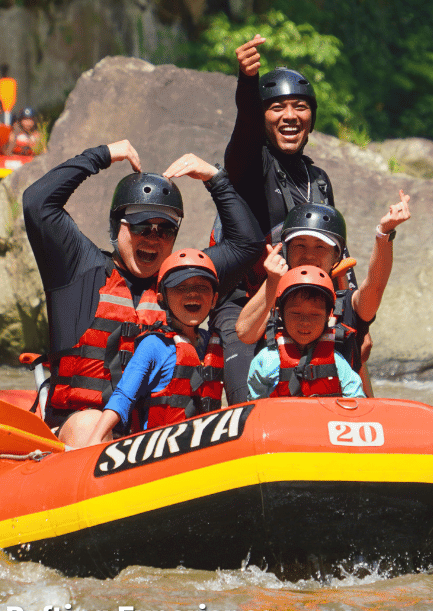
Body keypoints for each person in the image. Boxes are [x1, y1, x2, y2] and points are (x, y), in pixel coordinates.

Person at [22, 139, 263, 441]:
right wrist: (100, 156)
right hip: (79, 428)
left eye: (165, 230)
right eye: (140, 227)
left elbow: (247, 245)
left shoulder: (182, 281)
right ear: (117, 227)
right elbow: (37, 203)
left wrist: (216, 179)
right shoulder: (78, 269)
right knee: (88, 426)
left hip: (153, 438)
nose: (153, 238)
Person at [212, 33, 343, 406]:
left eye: (300, 106)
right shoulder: (251, 166)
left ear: (311, 118)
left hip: (306, 301)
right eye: (276, 108)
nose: (289, 116)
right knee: (246, 404)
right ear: (263, 118)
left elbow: (336, 254)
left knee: (356, 345)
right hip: (243, 304)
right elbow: (244, 135)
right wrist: (247, 84)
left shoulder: (318, 180)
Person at [236, 193, 411, 397]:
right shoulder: (273, 295)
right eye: (300, 245)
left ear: (336, 255)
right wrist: (273, 282)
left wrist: (385, 232)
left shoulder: (347, 304)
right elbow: (245, 333)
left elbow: (375, 285)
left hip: (336, 416)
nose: (309, 255)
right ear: (286, 250)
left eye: (320, 247)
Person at [77, 249, 223, 448]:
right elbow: (124, 396)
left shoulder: (213, 345)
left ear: (214, 299)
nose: (193, 293)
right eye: (181, 287)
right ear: (162, 299)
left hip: (202, 449)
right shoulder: (154, 345)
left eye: (202, 287)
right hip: (158, 452)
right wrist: (96, 439)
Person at [247, 265, 366, 400]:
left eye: (315, 315)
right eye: (296, 313)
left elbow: (357, 399)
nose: (305, 322)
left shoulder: (337, 362)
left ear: (328, 315)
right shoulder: (266, 361)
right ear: (280, 313)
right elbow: (254, 407)